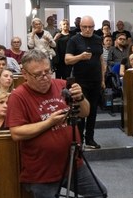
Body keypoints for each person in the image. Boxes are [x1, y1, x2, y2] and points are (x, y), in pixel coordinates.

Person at [6, 49, 107, 197]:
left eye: (48, 71)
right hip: (42, 171)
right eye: (38, 74)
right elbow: (16, 133)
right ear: (25, 74)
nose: (45, 77)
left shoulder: (62, 85)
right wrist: (49, 122)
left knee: (99, 193)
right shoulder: (18, 96)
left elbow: (85, 112)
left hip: (73, 163)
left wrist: (80, 98)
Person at [65, 16, 106, 150]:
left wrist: (103, 79)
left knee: (93, 111)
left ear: (94, 27)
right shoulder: (74, 40)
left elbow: (101, 60)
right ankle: (79, 140)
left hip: (95, 80)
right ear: (80, 27)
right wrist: (80, 57)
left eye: (90, 27)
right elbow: (67, 60)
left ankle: (90, 139)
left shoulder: (98, 39)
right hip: (80, 81)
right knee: (81, 112)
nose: (88, 30)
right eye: (85, 27)